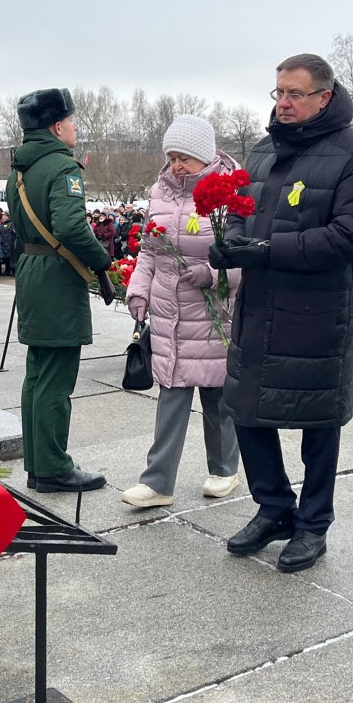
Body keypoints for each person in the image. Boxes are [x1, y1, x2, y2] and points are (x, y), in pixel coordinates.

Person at [209, 53, 353, 573]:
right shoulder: (261, 153)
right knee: (245, 408)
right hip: (260, 307)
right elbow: (242, 213)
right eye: (278, 93)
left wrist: (262, 249)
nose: (282, 103)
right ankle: (274, 507)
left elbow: (352, 236)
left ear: (323, 97)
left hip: (318, 312)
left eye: (294, 94)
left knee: (317, 423)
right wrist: (228, 244)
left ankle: (313, 523)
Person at [121, 115, 242, 509]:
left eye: (185, 157)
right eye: (172, 156)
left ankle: (224, 469)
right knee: (171, 396)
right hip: (169, 312)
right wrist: (138, 291)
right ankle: (158, 482)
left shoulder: (229, 191)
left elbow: (247, 251)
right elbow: (150, 251)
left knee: (217, 396)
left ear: (205, 157)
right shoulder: (160, 192)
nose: (176, 165)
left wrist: (214, 273)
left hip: (213, 314)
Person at [7, 88, 112, 493]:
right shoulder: (61, 167)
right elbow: (71, 227)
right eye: (71, 121)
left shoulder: (19, 167)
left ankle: (38, 464)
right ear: (56, 126)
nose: (75, 128)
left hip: (32, 269)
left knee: (37, 374)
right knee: (55, 379)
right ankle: (53, 467)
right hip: (56, 276)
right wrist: (102, 260)